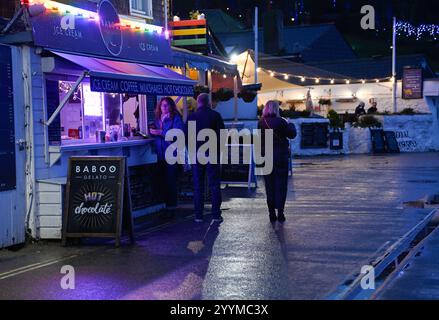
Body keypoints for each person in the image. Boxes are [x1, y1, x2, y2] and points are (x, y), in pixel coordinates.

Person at [186, 93, 225, 223]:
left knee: (198, 185)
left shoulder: (192, 117)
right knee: (214, 185)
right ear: (209, 102)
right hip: (212, 153)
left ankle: (198, 215)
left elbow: (186, 137)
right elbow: (222, 136)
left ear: (198, 102)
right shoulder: (216, 115)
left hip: (197, 154)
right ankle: (216, 215)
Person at [258, 100, 297, 223]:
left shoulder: (261, 122)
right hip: (280, 156)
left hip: (266, 157)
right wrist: (290, 124)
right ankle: (280, 212)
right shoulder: (281, 122)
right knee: (281, 185)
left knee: (269, 185)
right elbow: (292, 134)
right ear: (276, 109)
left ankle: (271, 213)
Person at [149, 97, 184, 212]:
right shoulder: (158, 119)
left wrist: (161, 132)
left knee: (171, 180)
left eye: (166, 105)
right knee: (162, 180)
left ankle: (172, 206)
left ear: (171, 106)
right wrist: (152, 131)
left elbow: (177, 135)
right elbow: (157, 134)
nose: (164, 107)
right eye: (162, 105)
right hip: (160, 154)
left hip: (171, 154)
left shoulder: (176, 118)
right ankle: (165, 205)